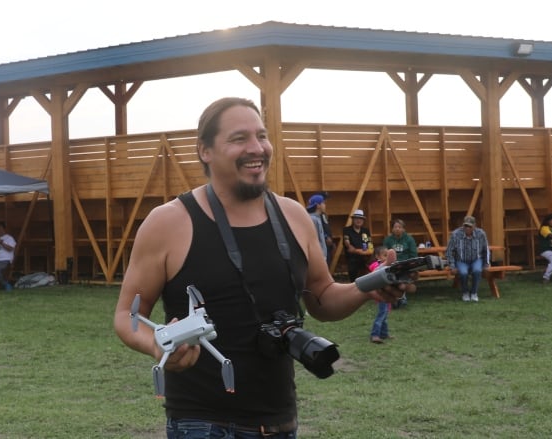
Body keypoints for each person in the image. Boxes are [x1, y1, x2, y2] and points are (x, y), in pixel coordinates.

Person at [112, 97, 406, 438]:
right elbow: (126, 316)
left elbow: (322, 297)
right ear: (205, 151)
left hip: (281, 421)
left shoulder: (294, 216)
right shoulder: (168, 222)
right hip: (202, 424)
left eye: (261, 136)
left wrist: (366, 287)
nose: (257, 148)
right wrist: (158, 344)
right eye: (239, 139)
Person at [446, 215, 489, 302]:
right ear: (463, 225)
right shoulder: (455, 234)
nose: (467, 228)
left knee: (477, 270)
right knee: (463, 272)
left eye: (470, 226)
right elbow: (449, 251)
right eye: (465, 226)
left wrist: (486, 263)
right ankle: (465, 292)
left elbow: (486, 249)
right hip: (461, 260)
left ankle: (474, 293)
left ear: (474, 226)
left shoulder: (481, 234)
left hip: (476, 259)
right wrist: (452, 266)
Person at [382, 218, 418, 306]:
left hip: (406, 265)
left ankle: (401, 298)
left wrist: (408, 265)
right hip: (392, 265)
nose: (397, 229)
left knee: (402, 280)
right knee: (393, 279)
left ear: (403, 229)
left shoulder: (409, 239)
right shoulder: (388, 240)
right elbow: (384, 254)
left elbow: (413, 255)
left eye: (400, 227)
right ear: (392, 229)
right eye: (395, 227)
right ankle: (398, 299)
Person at [368, 246, 396, 343]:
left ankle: (384, 333)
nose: (387, 258)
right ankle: (374, 335)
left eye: (388, 255)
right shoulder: (377, 266)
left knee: (385, 315)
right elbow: (375, 271)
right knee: (381, 314)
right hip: (380, 294)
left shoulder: (388, 266)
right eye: (385, 255)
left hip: (387, 293)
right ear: (378, 257)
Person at [342, 209, 374, 282]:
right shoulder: (347, 230)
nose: (359, 220)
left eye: (361, 219)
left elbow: (370, 244)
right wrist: (359, 251)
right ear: (353, 219)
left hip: (365, 258)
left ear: (363, 220)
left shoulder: (366, 231)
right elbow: (347, 244)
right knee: (354, 279)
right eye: (356, 218)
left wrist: (357, 251)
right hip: (352, 259)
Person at [306, 194, 328, 261]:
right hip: (318, 258)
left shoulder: (317, 218)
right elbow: (314, 240)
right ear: (318, 205)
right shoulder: (313, 219)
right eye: (323, 203)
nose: (325, 205)